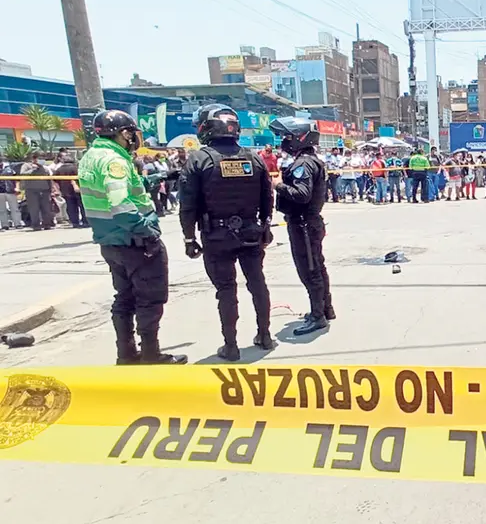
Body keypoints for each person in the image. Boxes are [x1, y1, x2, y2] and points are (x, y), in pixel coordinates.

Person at [78, 109, 186, 365]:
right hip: (134, 241)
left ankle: (126, 353)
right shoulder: (115, 160)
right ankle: (151, 353)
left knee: (124, 298)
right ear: (123, 133)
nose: (134, 139)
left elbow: (128, 188)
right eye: (132, 133)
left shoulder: (91, 156)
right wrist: (145, 231)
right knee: (149, 298)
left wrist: (162, 178)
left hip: (110, 242)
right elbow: (120, 203)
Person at [180, 104, 275, 361]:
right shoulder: (253, 158)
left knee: (226, 290)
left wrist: (189, 238)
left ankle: (230, 345)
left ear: (205, 127)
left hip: (216, 236)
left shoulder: (199, 159)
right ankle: (265, 335)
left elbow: (187, 204)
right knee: (257, 283)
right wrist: (266, 224)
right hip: (251, 232)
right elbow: (268, 195)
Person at [271, 117, 335, 336]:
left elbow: (301, 195)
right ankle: (325, 309)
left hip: (304, 225)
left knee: (310, 270)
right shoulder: (311, 160)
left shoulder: (303, 164)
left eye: (288, 137)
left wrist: (278, 185)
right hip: (310, 223)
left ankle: (318, 316)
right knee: (318, 266)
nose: (284, 141)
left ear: (300, 138)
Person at [19, 154, 55, 230]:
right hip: (31, 191)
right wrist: (32, 170)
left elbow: (49, 178)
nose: (40, 160)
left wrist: (51, 190)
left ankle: (47, 224)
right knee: (34, 209)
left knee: (46, 208)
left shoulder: (44, 167)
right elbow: (22, 174)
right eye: (38, 158)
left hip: (44, 190)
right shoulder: (26, 166)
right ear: (33, 159)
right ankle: (36, 225)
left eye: (41, 158)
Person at [53, 152, 88, 228]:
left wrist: (58, 190)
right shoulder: (76, 168)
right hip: (79, 190)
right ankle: (85, 222)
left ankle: (75, 222)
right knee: (82, 206)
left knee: (71, 208)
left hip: (66, 191)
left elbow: (54, 180)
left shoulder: (59, 169)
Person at [0, 158, 24, 230]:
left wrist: (17, 187)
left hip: (10, 190)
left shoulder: (9, 167)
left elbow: (16, 179)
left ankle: (17, 224)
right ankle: (5, 225)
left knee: (14, 208)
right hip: (1, 191)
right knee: (2, 210)